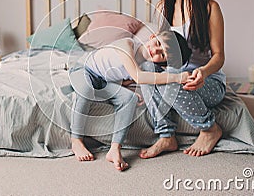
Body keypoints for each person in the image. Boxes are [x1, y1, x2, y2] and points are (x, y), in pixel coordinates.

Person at [139, 0, 226, 159]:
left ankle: (209, 129)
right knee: (148, 70)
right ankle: (166, 135)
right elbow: (161, 56)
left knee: (173, 83)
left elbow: (219, 55)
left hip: (207, 80)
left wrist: (203, 73)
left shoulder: (209, 8)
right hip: (178, 75)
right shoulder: (162, 8)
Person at [69, 30, 192, 171]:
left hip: (103, 81)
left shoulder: (143, 65)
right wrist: (177, 77)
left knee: (130, 99)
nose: (155, 50)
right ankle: (76, 140)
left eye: (162, 54)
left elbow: (126, 78)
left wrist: (131, 91)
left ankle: (115, 148)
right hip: (84, 69)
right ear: (152, 36)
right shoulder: (127, 44)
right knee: (86, 90)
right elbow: (139, 76)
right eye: (158, 43)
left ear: (164, 62)